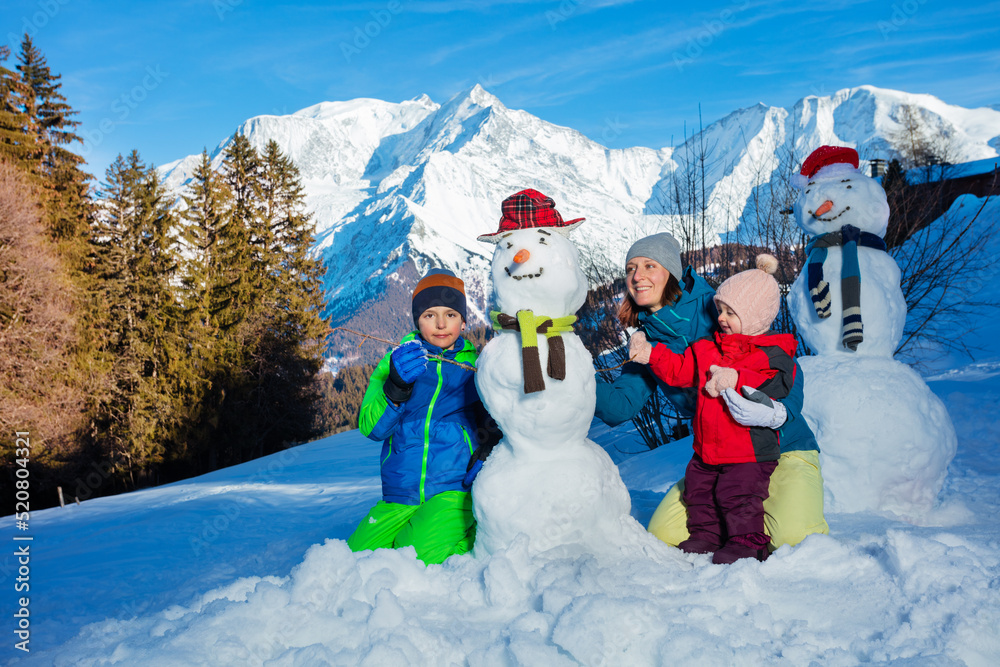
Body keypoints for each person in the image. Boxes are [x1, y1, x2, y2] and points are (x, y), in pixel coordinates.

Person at [595, 232, 829, 554]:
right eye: (630, 268)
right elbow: (619, 406)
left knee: (793, 538)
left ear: (672, 272)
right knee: (664, 533)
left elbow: (778, 361)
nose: (637, 276)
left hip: (781, 442)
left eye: (649, 265)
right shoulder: (647, 341)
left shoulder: (716, 304)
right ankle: (736, 524)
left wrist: (777, 411)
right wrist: (571, 378)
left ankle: (753, 526)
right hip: (719, 457)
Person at [628, 254, 796, 563]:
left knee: (739, 496)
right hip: (707, 449)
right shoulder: (707, 348)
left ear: (756, 317)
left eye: (731, 313)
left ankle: (747, 542)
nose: (721, 318)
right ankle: (706, 535)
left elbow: (777, 385)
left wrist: (737, 377)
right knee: (699, 491)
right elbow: (680, 370)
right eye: (720, 309)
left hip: (748, 452)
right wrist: (650, 354)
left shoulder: (771, 354)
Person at [347, 268, 497, 565]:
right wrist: (397, 385)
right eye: (430, 315)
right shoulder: (398, 362)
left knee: (412, 558)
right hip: (398, 495)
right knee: (352, 561)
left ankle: (471, 541)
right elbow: (372, 428)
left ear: (464, 320)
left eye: (451, 315)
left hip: (452, 491)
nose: (441, 324)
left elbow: (498, 418)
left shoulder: (479, 368)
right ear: (417, 319)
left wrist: (486, 448)